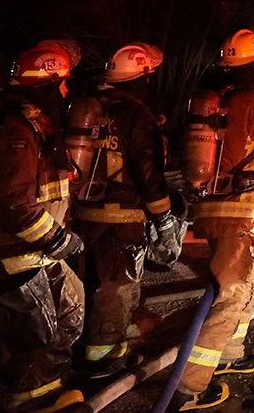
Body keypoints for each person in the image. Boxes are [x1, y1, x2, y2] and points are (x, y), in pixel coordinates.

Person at [169, 29, 254, 412]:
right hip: (242, 215)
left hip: (212, 210)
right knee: (232, 295)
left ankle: (229, 355)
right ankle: (187, 388)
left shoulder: (212, 103)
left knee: (251, 283)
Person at [0, 44, 87, 413]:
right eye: (60, 84)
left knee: (68, 313)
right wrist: (57, 238)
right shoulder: (14, 133)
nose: (65, 92)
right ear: (45, 86)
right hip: (10, 258)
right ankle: (31, 401)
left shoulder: (30, 128)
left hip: (31, 255)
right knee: (39, 338)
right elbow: (11, 204)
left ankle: (41, 389)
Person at [70, 43, 178, 378]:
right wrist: (164, 219)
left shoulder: (86, 108)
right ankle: (103, 364)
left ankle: (84, 352)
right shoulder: (136, 115)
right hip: (122, 218)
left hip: (83, 215)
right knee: (116, 288)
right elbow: (148, 173)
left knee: (86, 285)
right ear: (140, 77)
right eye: (148, 76)